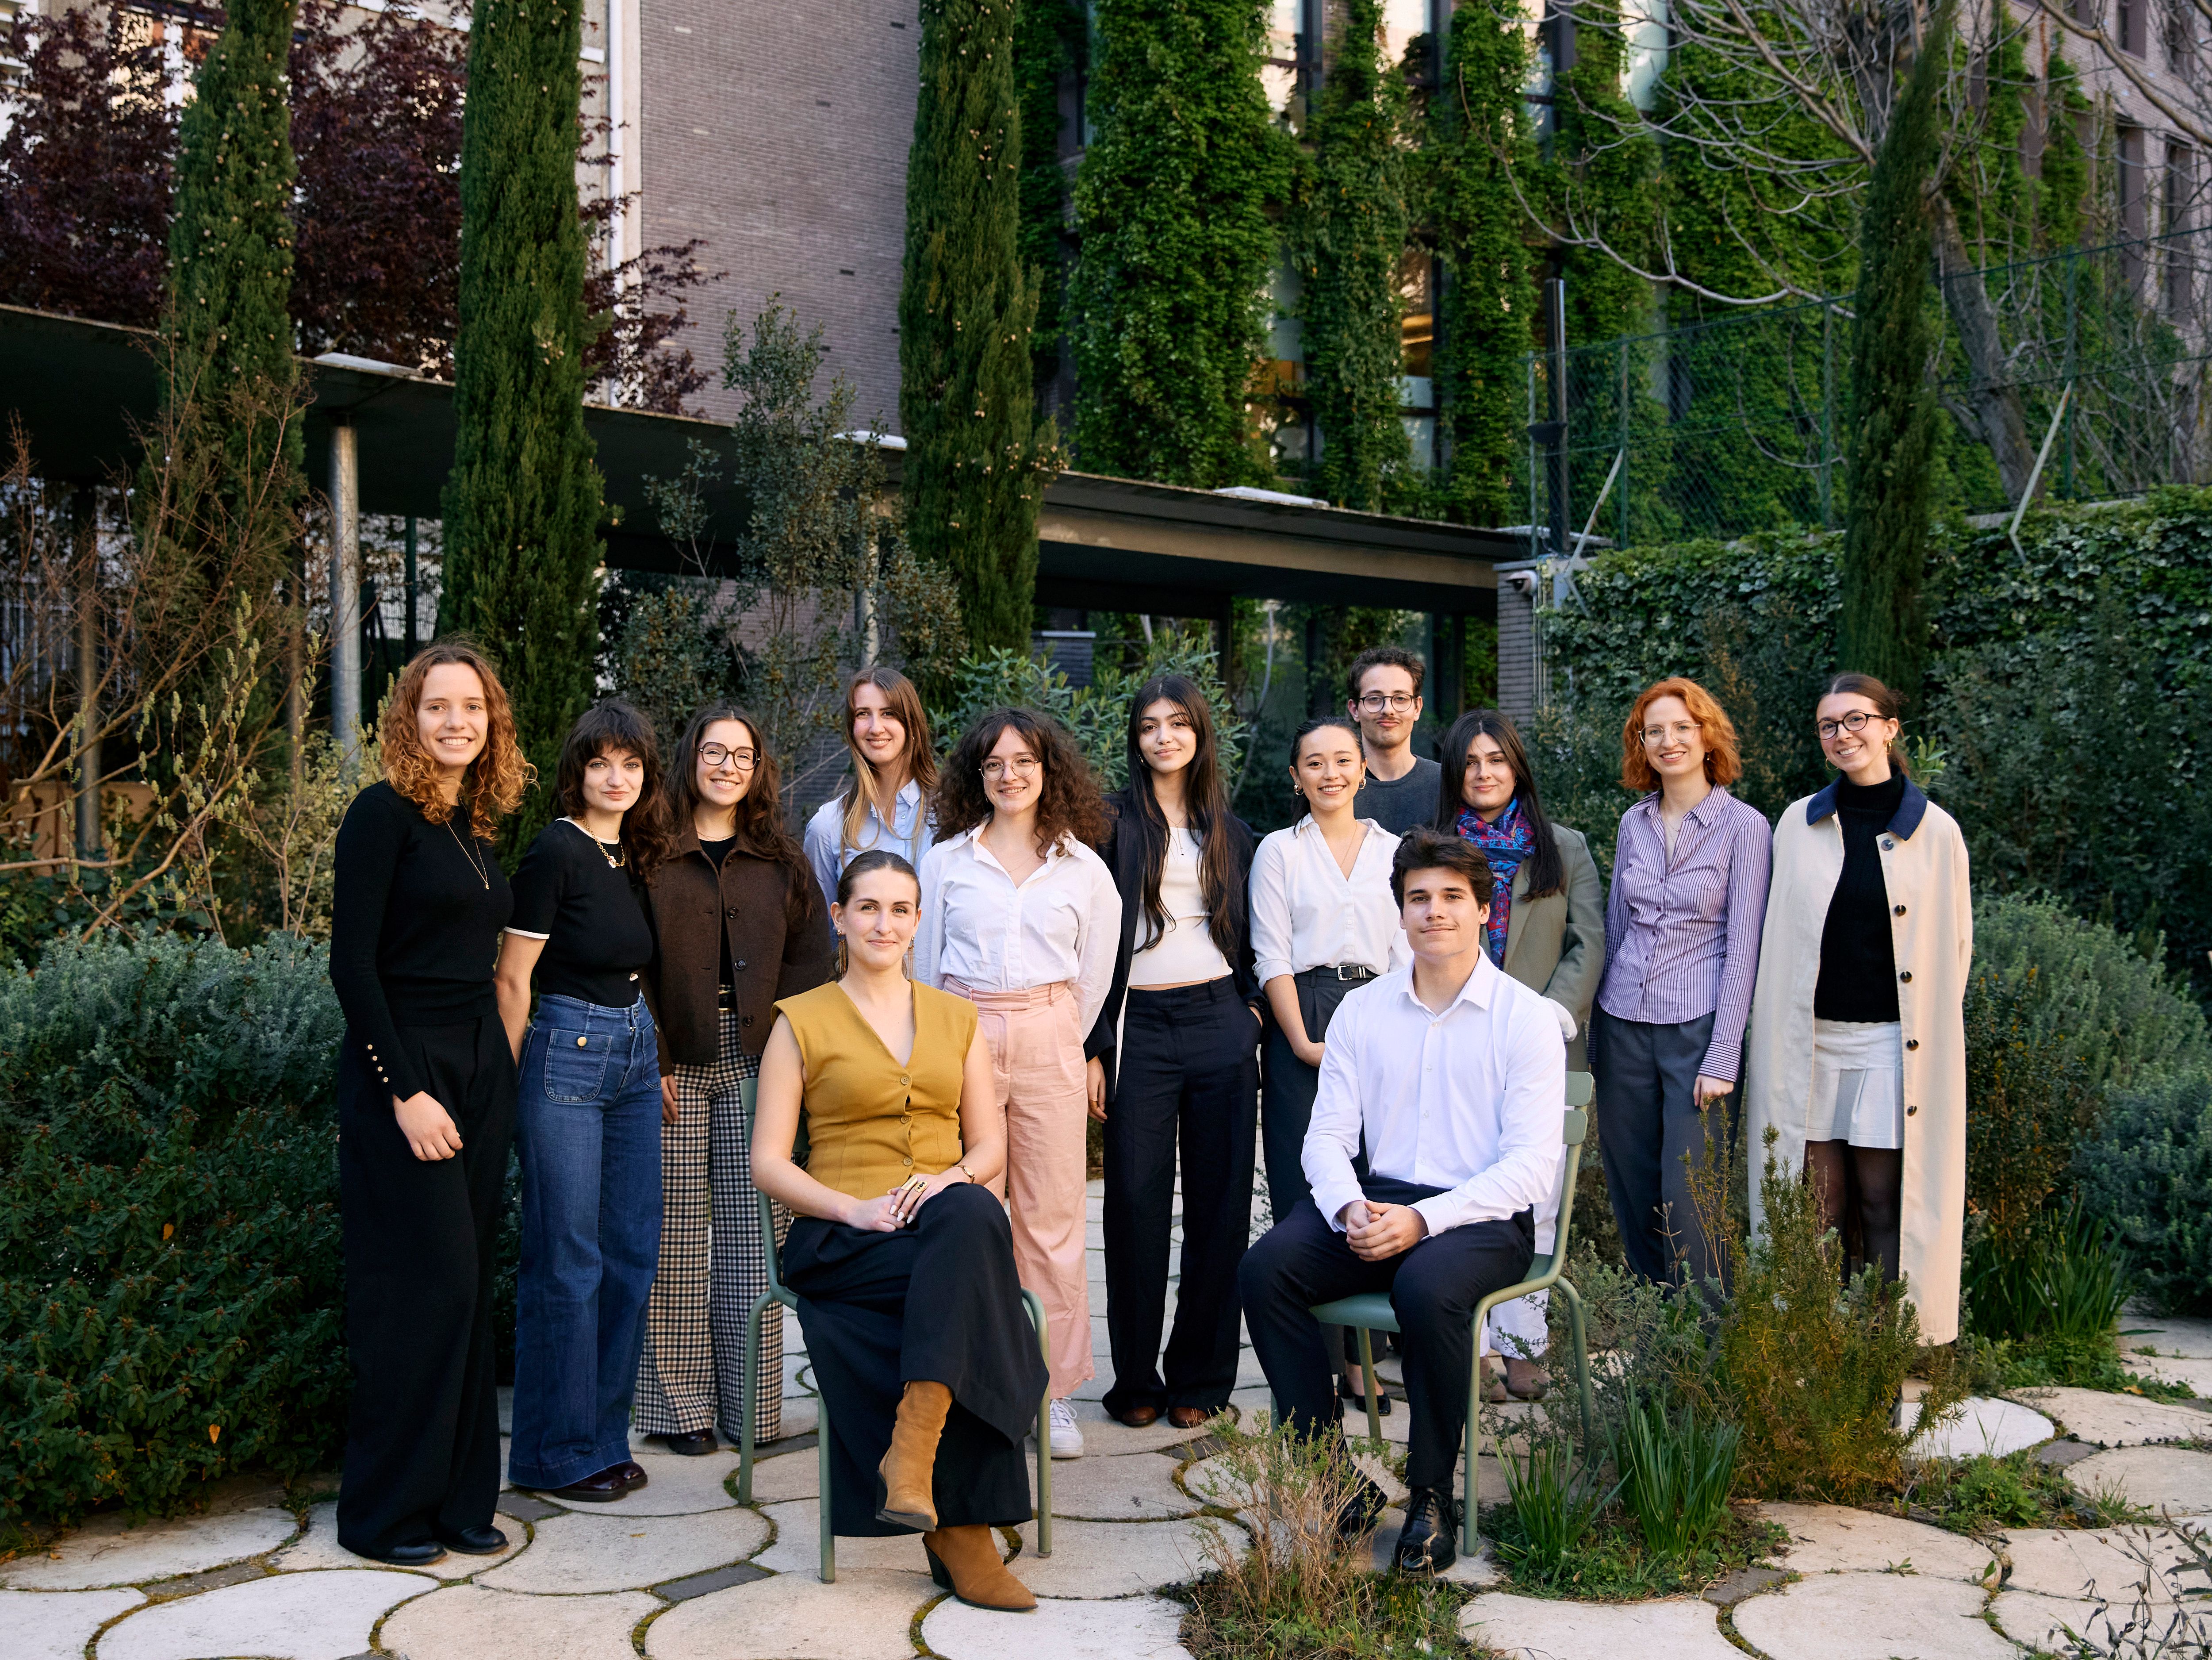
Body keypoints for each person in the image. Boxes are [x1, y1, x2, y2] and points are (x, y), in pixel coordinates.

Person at [1239, 828, 1566, 1575]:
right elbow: (1326, 1137)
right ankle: (1332, 1479)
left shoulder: (1524, 1018)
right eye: (1419, 898)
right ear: (1401, 912)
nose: (1434, 911)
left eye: (1452, 897)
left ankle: (1430, 1495)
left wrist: (1424, 1221)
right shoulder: (1362, 1011)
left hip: (1481, 1217)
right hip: (1380, 1202)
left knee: (1424, 1286)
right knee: (1266, 1269)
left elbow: (1529, 1170)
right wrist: (1348, 1207)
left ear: (1482, 909)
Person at [752, 850, 1048, 1614]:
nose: (884, 923)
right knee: (977, 1281)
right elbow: (767, 1162)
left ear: (918, 923)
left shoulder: (956, 1018)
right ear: (839, 917)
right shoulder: (800, 1021)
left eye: (899, 909)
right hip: (844, 1239)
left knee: (968, 1212)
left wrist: (947, 1181)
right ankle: (965, 1533)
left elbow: (989, 1147)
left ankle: (916, 1452)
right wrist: (850, 1209)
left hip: (941, 1230)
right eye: (868, 907)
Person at [330, 640, 530, 1566]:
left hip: (478, 1067)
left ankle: (457, 1502)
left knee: (468, 1285)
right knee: (426, 1288)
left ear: (493, 723)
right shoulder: (381, 816)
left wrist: (496, 1075)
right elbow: (353, 967)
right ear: (409, 717)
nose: (458, 721)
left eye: (473, 707)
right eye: (439, 705)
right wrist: (404, 1089)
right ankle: (383, 1515)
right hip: (407, 1071)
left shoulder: (474, 826)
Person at [914, 707, 1118, 1459]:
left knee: (1051, 1220)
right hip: (961, 1029)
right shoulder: (945, 863)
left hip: (1048, 1032)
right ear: (977, 775)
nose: (1010, 775)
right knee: (965, 1210)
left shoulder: (1083, 869)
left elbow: (1095, 977)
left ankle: (1050, 1392)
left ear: (1047, 770)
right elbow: (922, 965)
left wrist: (1052, 1032)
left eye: (1024, 761)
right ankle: (967, 1385)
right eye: (995, 763)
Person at [1744, 674, 1971, 1343]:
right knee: (1815, 1204)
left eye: (1856, 720)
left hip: (1889, 1047)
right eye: (1829, 725)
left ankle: (1881, 1350)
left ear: (1890, 728)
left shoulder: (1937, 832)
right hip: (1810, 1044)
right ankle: (1816, 1347)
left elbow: (1955, 948)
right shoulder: (1798, 823)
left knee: (1880, 1203)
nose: (1843, 735)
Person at [634, 705, 834, 1456]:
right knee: (678, 1238)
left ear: (758, 769)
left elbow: (812, 962)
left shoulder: (781, 858)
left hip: (761, 1057)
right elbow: (630, 963)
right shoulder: (651, 852)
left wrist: (791, 1050)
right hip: (674, 1062)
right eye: (714, 751)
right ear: (691, 758)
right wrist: (652, 1056)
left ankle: (751, 1408)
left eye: (742, 755)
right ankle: (679, 1409)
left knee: (756, 1238)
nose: (727, 766)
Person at [497, 702, 675, 1502]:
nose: (617, 778)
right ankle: (553, 1454)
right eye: (602, 763)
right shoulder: (555, 850)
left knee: (631, 1254)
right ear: (578, 772)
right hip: (566, 1055)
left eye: (631, 765)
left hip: (633, 1056)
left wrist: (656, 1057)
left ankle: (603, 1438)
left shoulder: (630, 853)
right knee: (567, 1262)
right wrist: (501, 1089)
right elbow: (512, 980)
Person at [1090, 675, 1261, 1433]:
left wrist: (1252, 1013)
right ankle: (1135, 1377)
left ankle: (1201, 1375)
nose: (1164, 737)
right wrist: (1095, 1045)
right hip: (1141, 1028)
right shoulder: (1109, 824)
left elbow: (1255, 931)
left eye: (1178, 723)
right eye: (1150, 725)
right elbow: (1086, 939)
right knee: (1133, 1202)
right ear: (1136, 740)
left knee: (1221, 1207)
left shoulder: (1232, 831)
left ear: (1199, 733)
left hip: (1219, 1018)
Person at [1434, 708, 1605, 1401]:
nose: (1484, 773)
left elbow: (1588, 944)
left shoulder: (1564, 849)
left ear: (1517, 767)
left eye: (1496, 760)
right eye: (1471, 763)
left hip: (1545, 1044)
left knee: (1537, 1200)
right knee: (1459, 1195)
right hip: (1455, 1046)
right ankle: (1473, 1348)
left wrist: (1543, 1020)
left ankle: (1524, 1345)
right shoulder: (1433, 848)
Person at [1247, 714, 1407, 1415]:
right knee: (1303, 1192)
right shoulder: (1279, 852)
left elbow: (1405, 954)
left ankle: (1362, 1361)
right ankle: (1317, 1369)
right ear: (1296, 777)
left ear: (1363, 771)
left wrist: (1384, 1044)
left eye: (1343, 760)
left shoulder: (1396, 852)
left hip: (1380, 1013)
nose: (1330, 773)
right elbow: (1271, 955)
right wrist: (1303, 1042)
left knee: (1370, 1186)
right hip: (1302, 1015)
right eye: (1314, 763)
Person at [1593, 677, 1771, 1288]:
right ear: (1641, 744)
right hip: (1623, 1025)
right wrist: (1598, 1038)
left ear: (1706, 736)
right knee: (1633, 1187)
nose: (1669, 741)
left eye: (1682, 728)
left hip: (1696, 1033)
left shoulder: (1745, 828)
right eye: (1654, 731)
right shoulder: (1633, 823)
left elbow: (1743, 949)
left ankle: (1703, 1337)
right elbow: (1617, 929)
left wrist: (1723, 1053)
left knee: (1690, 1194)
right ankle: (1653, 1330)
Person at [805, 667, 939, 920]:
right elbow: (823, 932)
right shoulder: (828, 827)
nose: (876, 728)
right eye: (863, 714)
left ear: (912, 724)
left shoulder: (950, 815)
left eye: (888, 713)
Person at [1346, 646, 1441, 834]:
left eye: (1400, 699)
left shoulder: (1445, 783)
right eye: (1374, 699)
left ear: (1417, 708)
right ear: (1355, 710)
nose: (1388, 710)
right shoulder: (1337, 785)